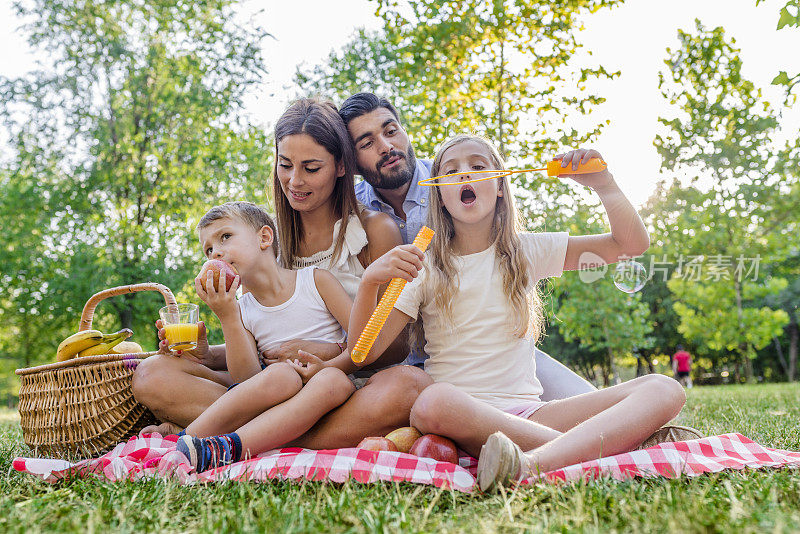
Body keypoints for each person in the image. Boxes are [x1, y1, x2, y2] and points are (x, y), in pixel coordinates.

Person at [294, 135, 686, 492]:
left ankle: (531, 464)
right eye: (451, 170)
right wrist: (369, 286)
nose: (465, 173)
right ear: (439, 195)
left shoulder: (527, 250)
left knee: (665, 388)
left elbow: (628, 244)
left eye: (478, 166)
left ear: (500, 186)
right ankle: (597, 452)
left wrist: (605, 185)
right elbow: (364, 351)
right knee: (432, 402)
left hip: (533, 417)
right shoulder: (424, 264)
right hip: (461, 417)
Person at [134, 99, 433, 447]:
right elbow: (259, 339)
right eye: (286, 165)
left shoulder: (373, 229)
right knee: (152, 374)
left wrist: (331, 351)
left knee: (410, 385)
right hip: (274, 386)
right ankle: (279, 434)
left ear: (340, 167)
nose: (295, 181)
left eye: (311, 168)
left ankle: (239, 434)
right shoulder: (264, 239)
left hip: (348, 388)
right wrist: (208, 354)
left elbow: (396, 347)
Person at [338, 92, 596, 400]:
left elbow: (502, 244)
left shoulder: (452, 184)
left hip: (497, 357)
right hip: (413, 364)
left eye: (391, 131)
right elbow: (362, 345)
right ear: (351, 163)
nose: (386, 146)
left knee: (594, 407)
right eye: (367, 143)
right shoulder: (352, 214)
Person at [171, 201, 355, 471]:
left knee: (334, 380)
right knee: (282, 375)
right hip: (276, 396)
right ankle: (186, 443)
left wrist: (329, 356)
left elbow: (364, 339)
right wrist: (228, 315)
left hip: (328, 391)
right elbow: (247, 381)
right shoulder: (241, 308)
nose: (215, 254)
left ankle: (221, 444)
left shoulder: (316, 281)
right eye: (208, 250)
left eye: (225, 237)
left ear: (264, 238)